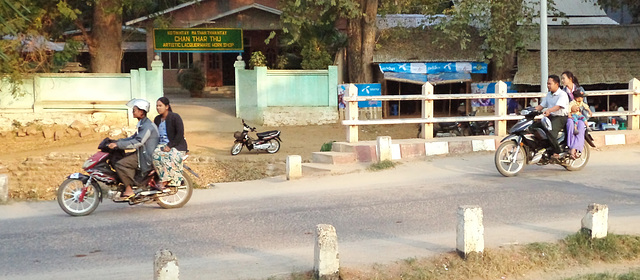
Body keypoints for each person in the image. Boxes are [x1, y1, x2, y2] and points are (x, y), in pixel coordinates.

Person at [108, 99, 159, 198]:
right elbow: (133, 138)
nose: (133, 112)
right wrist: (117, 141)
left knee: (120, 164)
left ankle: (129, 189)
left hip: (146, 156)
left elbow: (138, 142)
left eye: (134, 110)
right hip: (142, 152)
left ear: (141, 112)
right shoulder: (143, 124)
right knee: (118, 158)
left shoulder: (147, 126)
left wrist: (118, 145)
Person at [152, 97, 188, 189]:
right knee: (153, 155)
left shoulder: (175, 117)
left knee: (161, 156)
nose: (158, 108)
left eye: (160, 106)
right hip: (162, 145)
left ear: (167, 106)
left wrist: (169, 146)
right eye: (157, 106)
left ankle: (165, 181)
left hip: (175, 146)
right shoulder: (157, 119)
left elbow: (180, 133)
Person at [535, 75, 570, 159]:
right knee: (535, 127)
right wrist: (531, 110)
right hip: (551, 116)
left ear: (557, 84)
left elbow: (558, 106)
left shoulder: (562, 94)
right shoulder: (549, 94)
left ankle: (557, 152)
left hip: (561, 118)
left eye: (550, 84)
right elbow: (541, 106)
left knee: (550, 131)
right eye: (547, 84)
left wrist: (549, 110)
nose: (548, 86)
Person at [566, 90, 592, 159]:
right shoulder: (571, 102)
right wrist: (569, 114)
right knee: (572, 122)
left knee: (582, 122)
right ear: (577, 98)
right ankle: (570, 146)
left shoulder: (581, 102)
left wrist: (589, 111)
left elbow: (585, 106)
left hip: (578, 116)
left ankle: (576, 147)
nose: (583, 98)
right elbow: (568, 108)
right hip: (572, 116)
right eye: (581, 97)